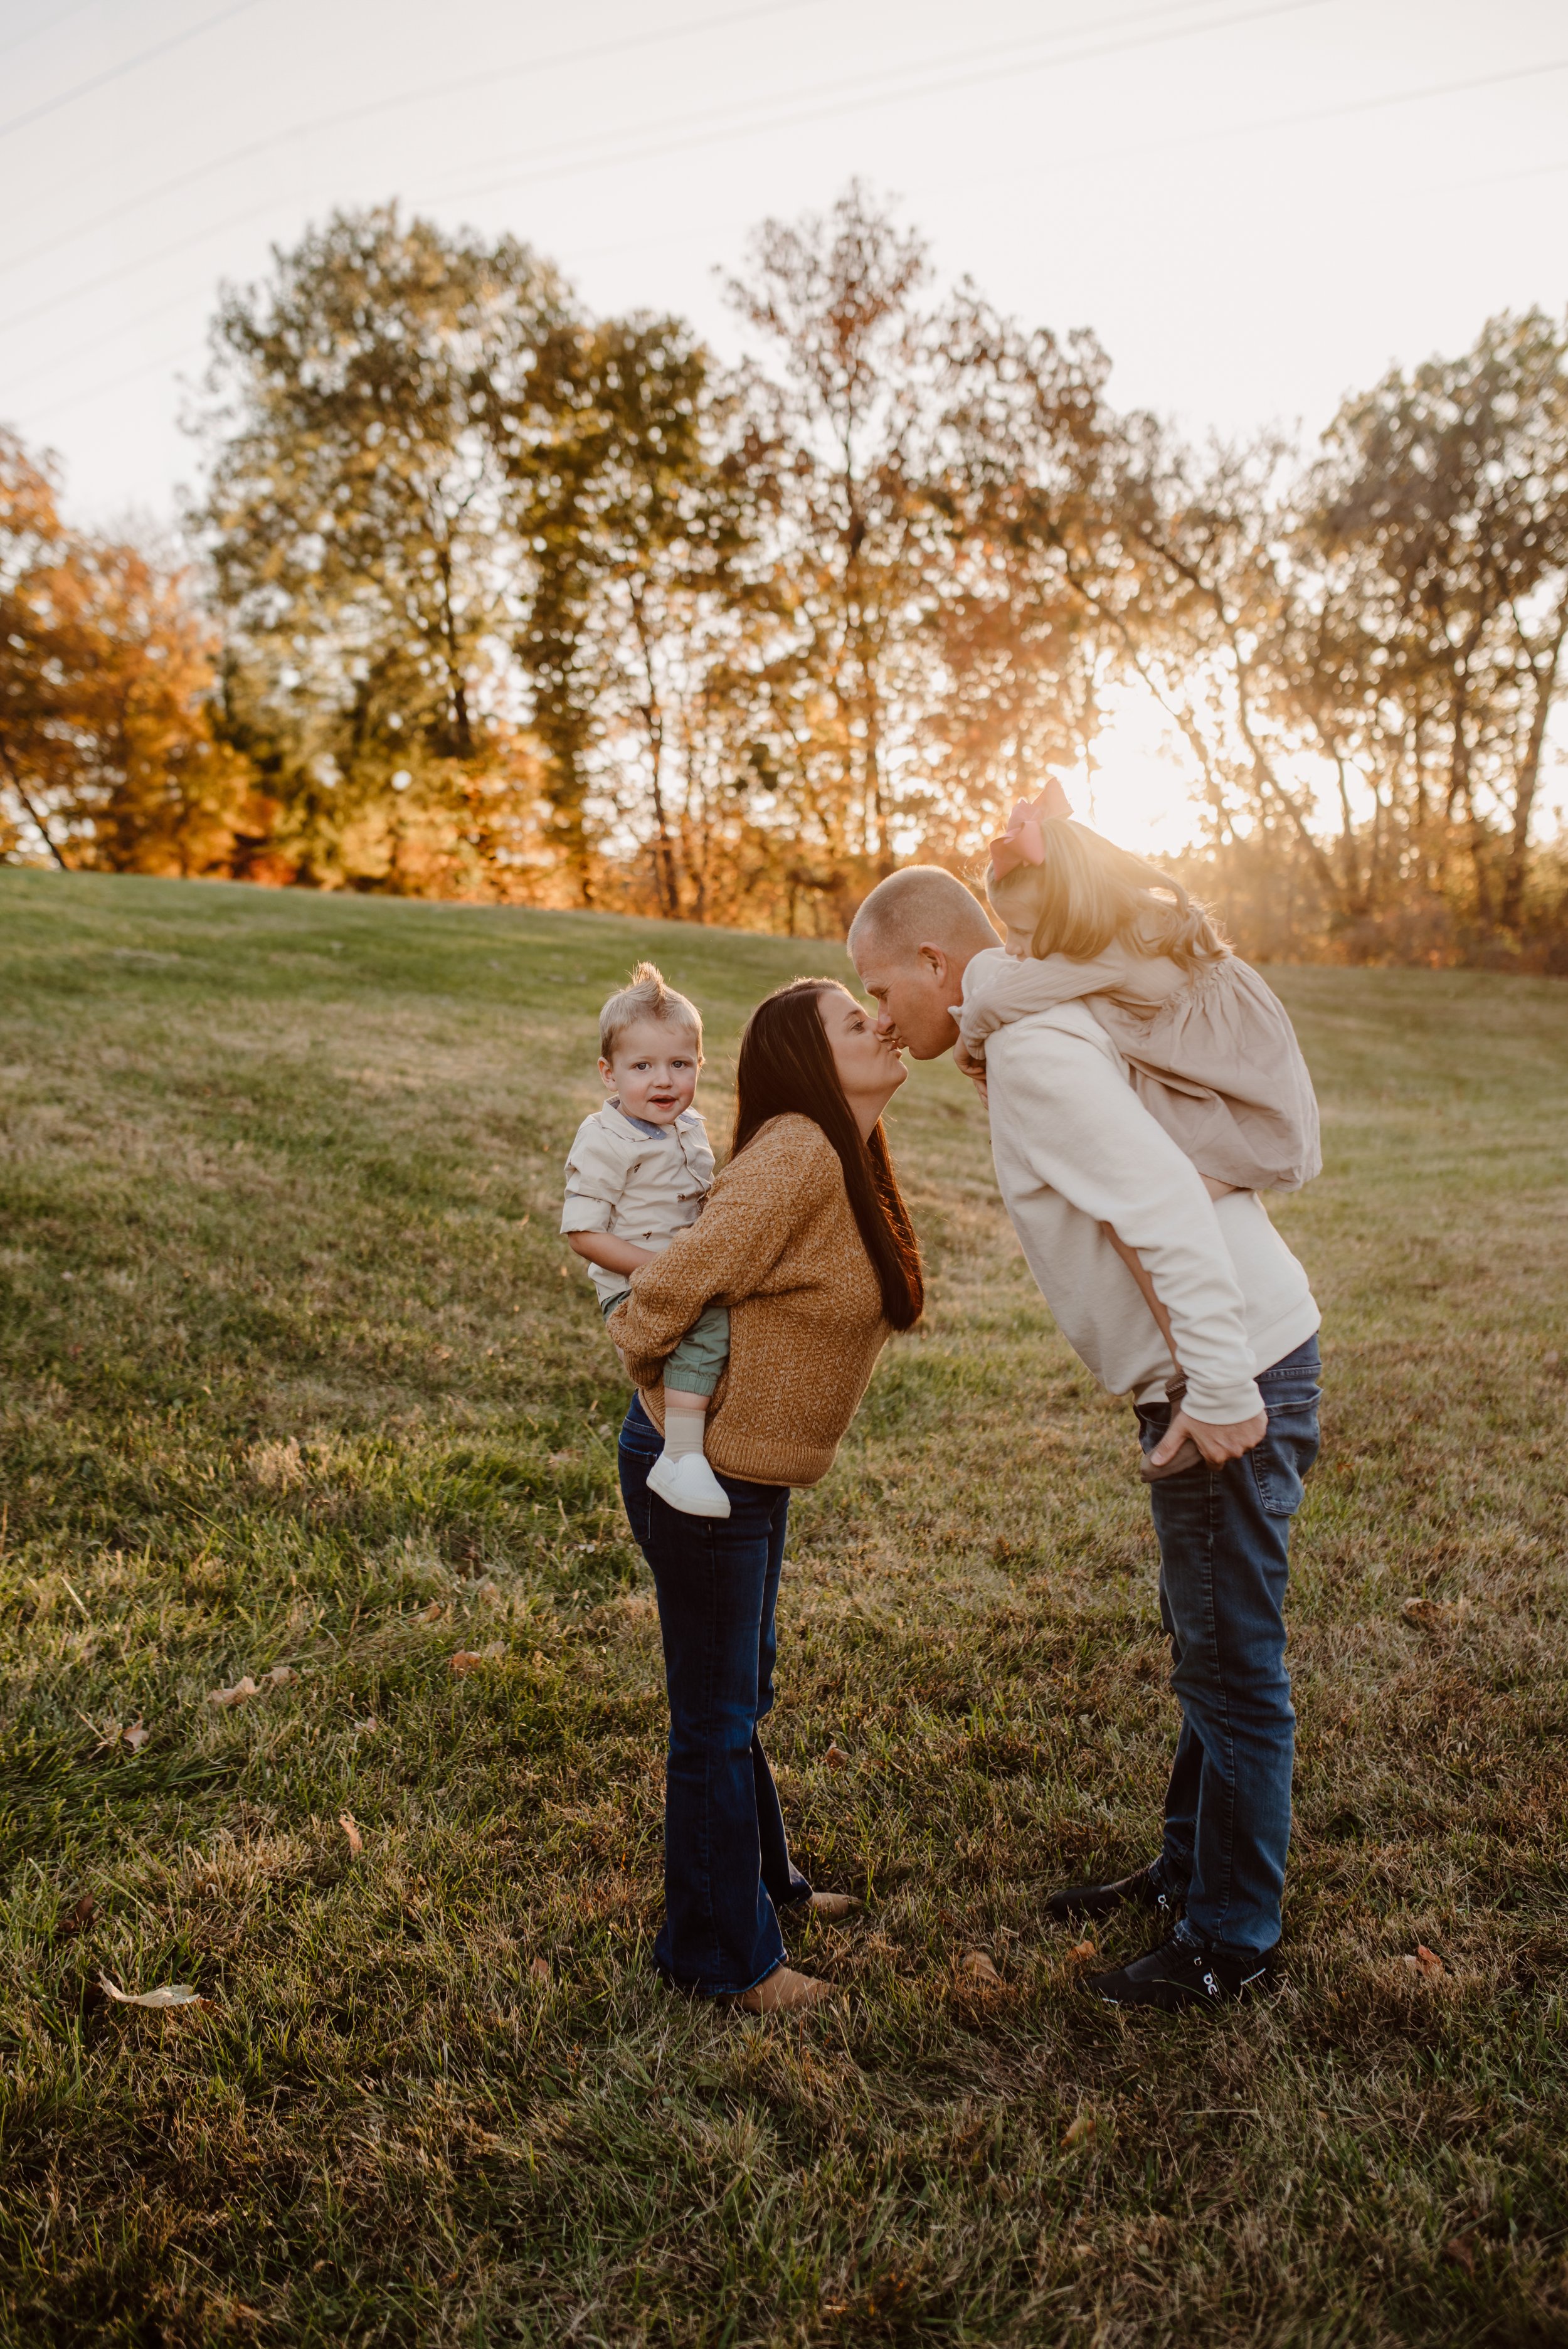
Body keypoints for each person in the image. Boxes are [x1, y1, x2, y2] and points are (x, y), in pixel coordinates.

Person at [849, 853, 1323, 2013]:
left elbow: (1162, 1211)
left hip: (1235, 1373)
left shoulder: (1033, 1053)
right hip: (1227, 1362)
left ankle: (1232, 1938)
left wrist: (1214, 1389)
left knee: (1231, 1661)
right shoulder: (1029, 1037)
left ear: (933, 959)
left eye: (880, 985)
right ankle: (1188, 1869)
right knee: (1202, 1632)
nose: (876, 1012)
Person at [608, 978, 921, 2013]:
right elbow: (678, 1275)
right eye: (852, 1018)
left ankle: (761, 1888)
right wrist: (648, 1364)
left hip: (746, 1476)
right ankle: (717, 1956)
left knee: (746, 1689)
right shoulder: (798, 1148)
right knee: (717, 1711)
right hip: (700, 1474)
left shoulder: (846, 1154)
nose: (882, 1020)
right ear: (806, 1059)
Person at [561, 963, 732, 1519]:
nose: (664, 1081)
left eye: (679, 1064)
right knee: (708, 1324)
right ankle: (680, 1456)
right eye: (643, 1066)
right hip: (633, 1285)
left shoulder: (690, 1126)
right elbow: (584, 1233)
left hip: (683, 1267)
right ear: (609, 1074)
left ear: (699, 1065)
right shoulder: (605, 1138)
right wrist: (658, 1272)